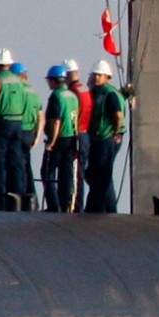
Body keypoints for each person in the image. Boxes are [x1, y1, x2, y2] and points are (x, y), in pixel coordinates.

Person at [0, 60, 39, 210]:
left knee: (0, 161)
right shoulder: (28, 90)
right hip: (23, 128)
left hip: (4, 123)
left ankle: (2, 198)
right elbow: (39, 114)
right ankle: (24, 197)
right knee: (20, 164)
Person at [83, 59, 126, 214]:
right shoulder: (95, 92)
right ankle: (109, 207)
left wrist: (116, 132)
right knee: (94, 173)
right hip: (96, 138)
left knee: (102, 173)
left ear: (107, 77)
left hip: (106, 138)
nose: (96, 78)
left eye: (99, 75)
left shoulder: (109, 94)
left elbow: (118, 116)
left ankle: (96, 207)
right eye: (95, 75)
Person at [41, 65, 80, 212]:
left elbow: (56, 121)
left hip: (60, 138)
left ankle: (53, 205)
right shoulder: (72, 95)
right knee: (66, 173)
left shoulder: (56, 96)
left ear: (53, 81)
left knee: (47, 171)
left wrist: (51, 142)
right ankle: (65, 204)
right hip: (72, 138)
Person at [64, 59, 92, 210]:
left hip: (76, 135)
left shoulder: (72, 92)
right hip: (86, 134)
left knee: (75, 173)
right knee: (80, 171)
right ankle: (78, 204)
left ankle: (75, 205)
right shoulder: (85, 90)